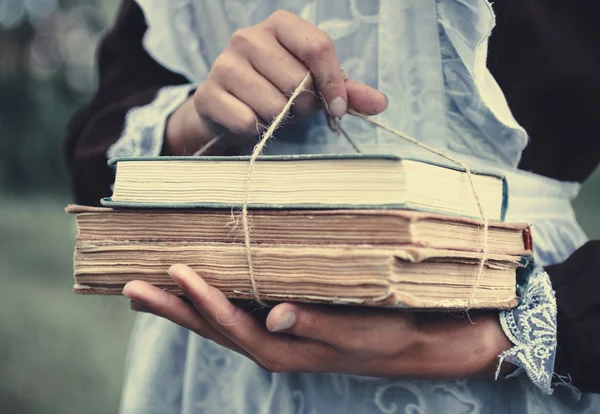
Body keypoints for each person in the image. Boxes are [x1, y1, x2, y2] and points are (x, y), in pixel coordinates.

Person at [65, 1, 600, 413]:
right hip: (212, 363)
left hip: (501, 333)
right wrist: (202, 116)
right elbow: (102, 145)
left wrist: (505, 334)